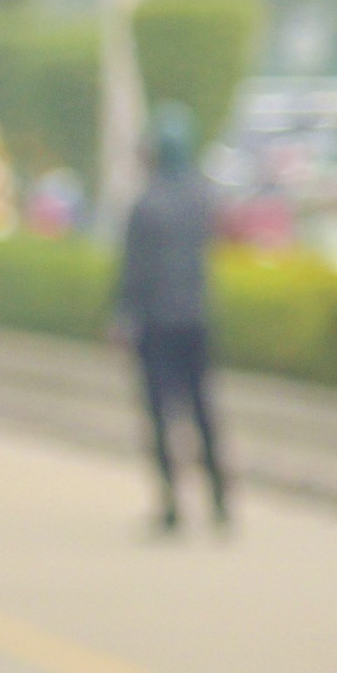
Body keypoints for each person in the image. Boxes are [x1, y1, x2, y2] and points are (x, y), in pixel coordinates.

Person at [116, 102, 230, 534]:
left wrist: (121, 318)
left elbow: (133, 272)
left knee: (160, 414)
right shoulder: (203, 198)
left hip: (156, 324)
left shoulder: (146, 204)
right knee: (203, 409)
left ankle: (170, 502)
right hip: (197, 318)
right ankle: (219, 497)